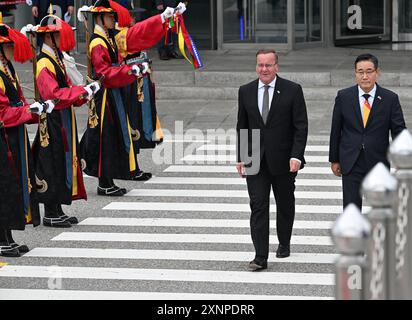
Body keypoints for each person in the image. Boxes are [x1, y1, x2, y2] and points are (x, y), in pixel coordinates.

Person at [78, 0, 186, 196]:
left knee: (114, 136)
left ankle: (108, 179)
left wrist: (165, 19)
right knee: (105, 137)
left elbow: (139, 34)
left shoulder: (108, 37)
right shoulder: (98, 41)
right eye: (111, 17)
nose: (114, 20)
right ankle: (104, 181)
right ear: (101, 18)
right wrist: (130, 70)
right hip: (104, 95)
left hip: (113, 90)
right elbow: (104, 72)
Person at [236, 49, 308, 271]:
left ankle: (284, 242)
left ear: (277, 66)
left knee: (285, 203)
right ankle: (260, 256)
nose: (264, 69)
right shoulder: (246, 91)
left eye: (268, 65)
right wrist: (241, 157)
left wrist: (297, 155)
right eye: (260, 65)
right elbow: (243, 126)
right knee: (258, 205)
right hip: (255, 159)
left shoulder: (292, 90)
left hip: (284, 159)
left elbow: (300, 126)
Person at [30, 13, 98, 228]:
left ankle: (57, 207)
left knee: (63, 161)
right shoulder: (44, 62)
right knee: (52, 163)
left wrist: (84, 94)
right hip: (52, 121)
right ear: (48, 38)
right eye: (58, 35)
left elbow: (67, 90)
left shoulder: (56, 58)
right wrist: (79, 91)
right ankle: (50, 210)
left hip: (62, 117)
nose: (61, 38)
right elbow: (55, 94)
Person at [329, 53, 406, 210]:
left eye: (369, 71)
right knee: (351, 208)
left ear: (377, 72)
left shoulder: (390, 99)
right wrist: (334, 159)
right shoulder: (344, 96)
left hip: (378, 161)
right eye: (360, 72)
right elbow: (336, 130)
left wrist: (402, 161)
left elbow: (399, 131)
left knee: (381, 208)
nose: (365, 76)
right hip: (351, 161)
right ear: (355, 73)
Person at [0, 18, 42, 256]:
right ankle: (2, 238)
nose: (11, 50)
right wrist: (28, 111)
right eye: (7, 46)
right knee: (4, 185)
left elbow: (17, 103)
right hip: (3, 137)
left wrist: (34, 110)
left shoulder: (7, 69)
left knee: (14, 183)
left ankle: (9, 236)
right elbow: (3, 112)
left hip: (13, 134)